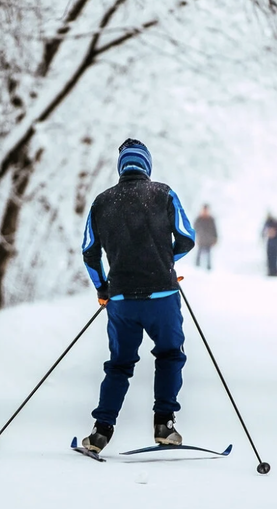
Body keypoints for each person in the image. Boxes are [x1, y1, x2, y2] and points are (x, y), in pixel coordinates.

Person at [80, 138, 196, 453]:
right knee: (171, 354)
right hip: (162, 294)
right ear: (147, 165)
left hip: (121, 300)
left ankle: (101, 431)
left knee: (119, 364)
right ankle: (165, 424)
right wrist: (165, 260)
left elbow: (89, 252)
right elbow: (187, 238)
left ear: (121, 167)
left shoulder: (101, 202)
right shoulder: (164, 193)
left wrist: (103, 289)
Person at [193, 204, 218, 270]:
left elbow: (214, 229)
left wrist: (215, 238)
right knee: (199, 252)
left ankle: (208, 267)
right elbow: (195, 227)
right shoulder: (199, 218)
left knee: (208, 254)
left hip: (208, 240)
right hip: (201, 239)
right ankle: (196, 266)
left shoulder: (211, 219)